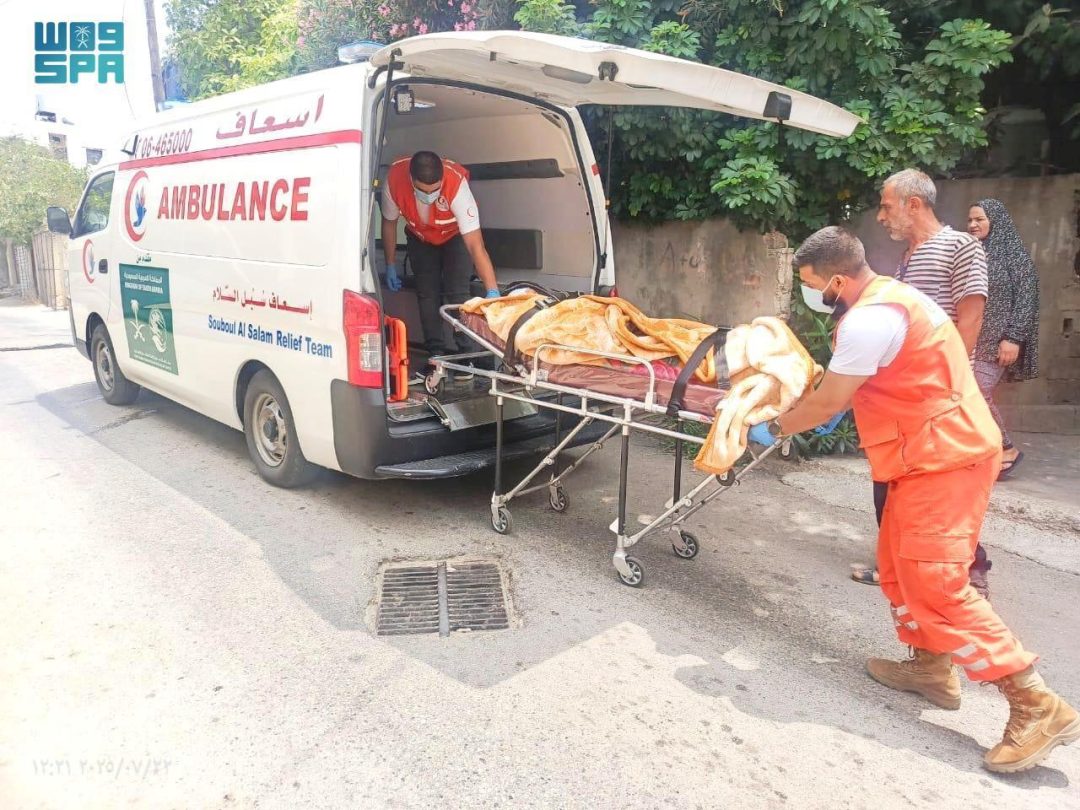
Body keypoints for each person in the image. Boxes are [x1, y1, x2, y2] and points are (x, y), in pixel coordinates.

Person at [750, 227, 1078, 774]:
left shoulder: (871, 318)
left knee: (940, 581)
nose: (812, 295)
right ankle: (930, 665)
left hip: (946, 455)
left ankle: (1034, 703)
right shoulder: (892, 300)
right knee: (899, 568)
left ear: (836, 279)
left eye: (811, 285)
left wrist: (776, 426)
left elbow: (832, 398)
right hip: (920, 453)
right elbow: (860, 388)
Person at [850, 169, 992, 597]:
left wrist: (951, 384)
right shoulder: (909, 256)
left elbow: (971, 317)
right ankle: (896, 566)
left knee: (938, 488)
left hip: (940, 395)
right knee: (891, 479)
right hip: (907, 393)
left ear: (914, 204)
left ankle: (969, 570)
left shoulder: (960, 246)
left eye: (886, 205)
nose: (880, 216)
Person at [381, 151, 501, 374]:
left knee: (457, 293)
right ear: (411, 180)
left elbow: (476, 246)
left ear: (442, 179)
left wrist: (492, 291)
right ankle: (435, 354)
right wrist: (389, 264)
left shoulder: (457, 186)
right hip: (420, 238)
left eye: (435, 190)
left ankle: (467, 356)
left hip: (454, 236)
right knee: (427, 294)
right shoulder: (395, 180)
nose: (430, 195)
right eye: (423, 191)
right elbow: (389, 223)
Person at [967, 199, 1040, 480]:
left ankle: (1006, 448)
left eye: (980, 220)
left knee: (976, 390)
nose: (973, 225)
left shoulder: (1015, 256)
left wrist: (1013, 338)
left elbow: (1026, 300)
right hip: (973, 337)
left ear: (995, 221)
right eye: (970, 220)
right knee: (968, 392)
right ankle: (983, 453)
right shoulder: (975, 253)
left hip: (997, 340)